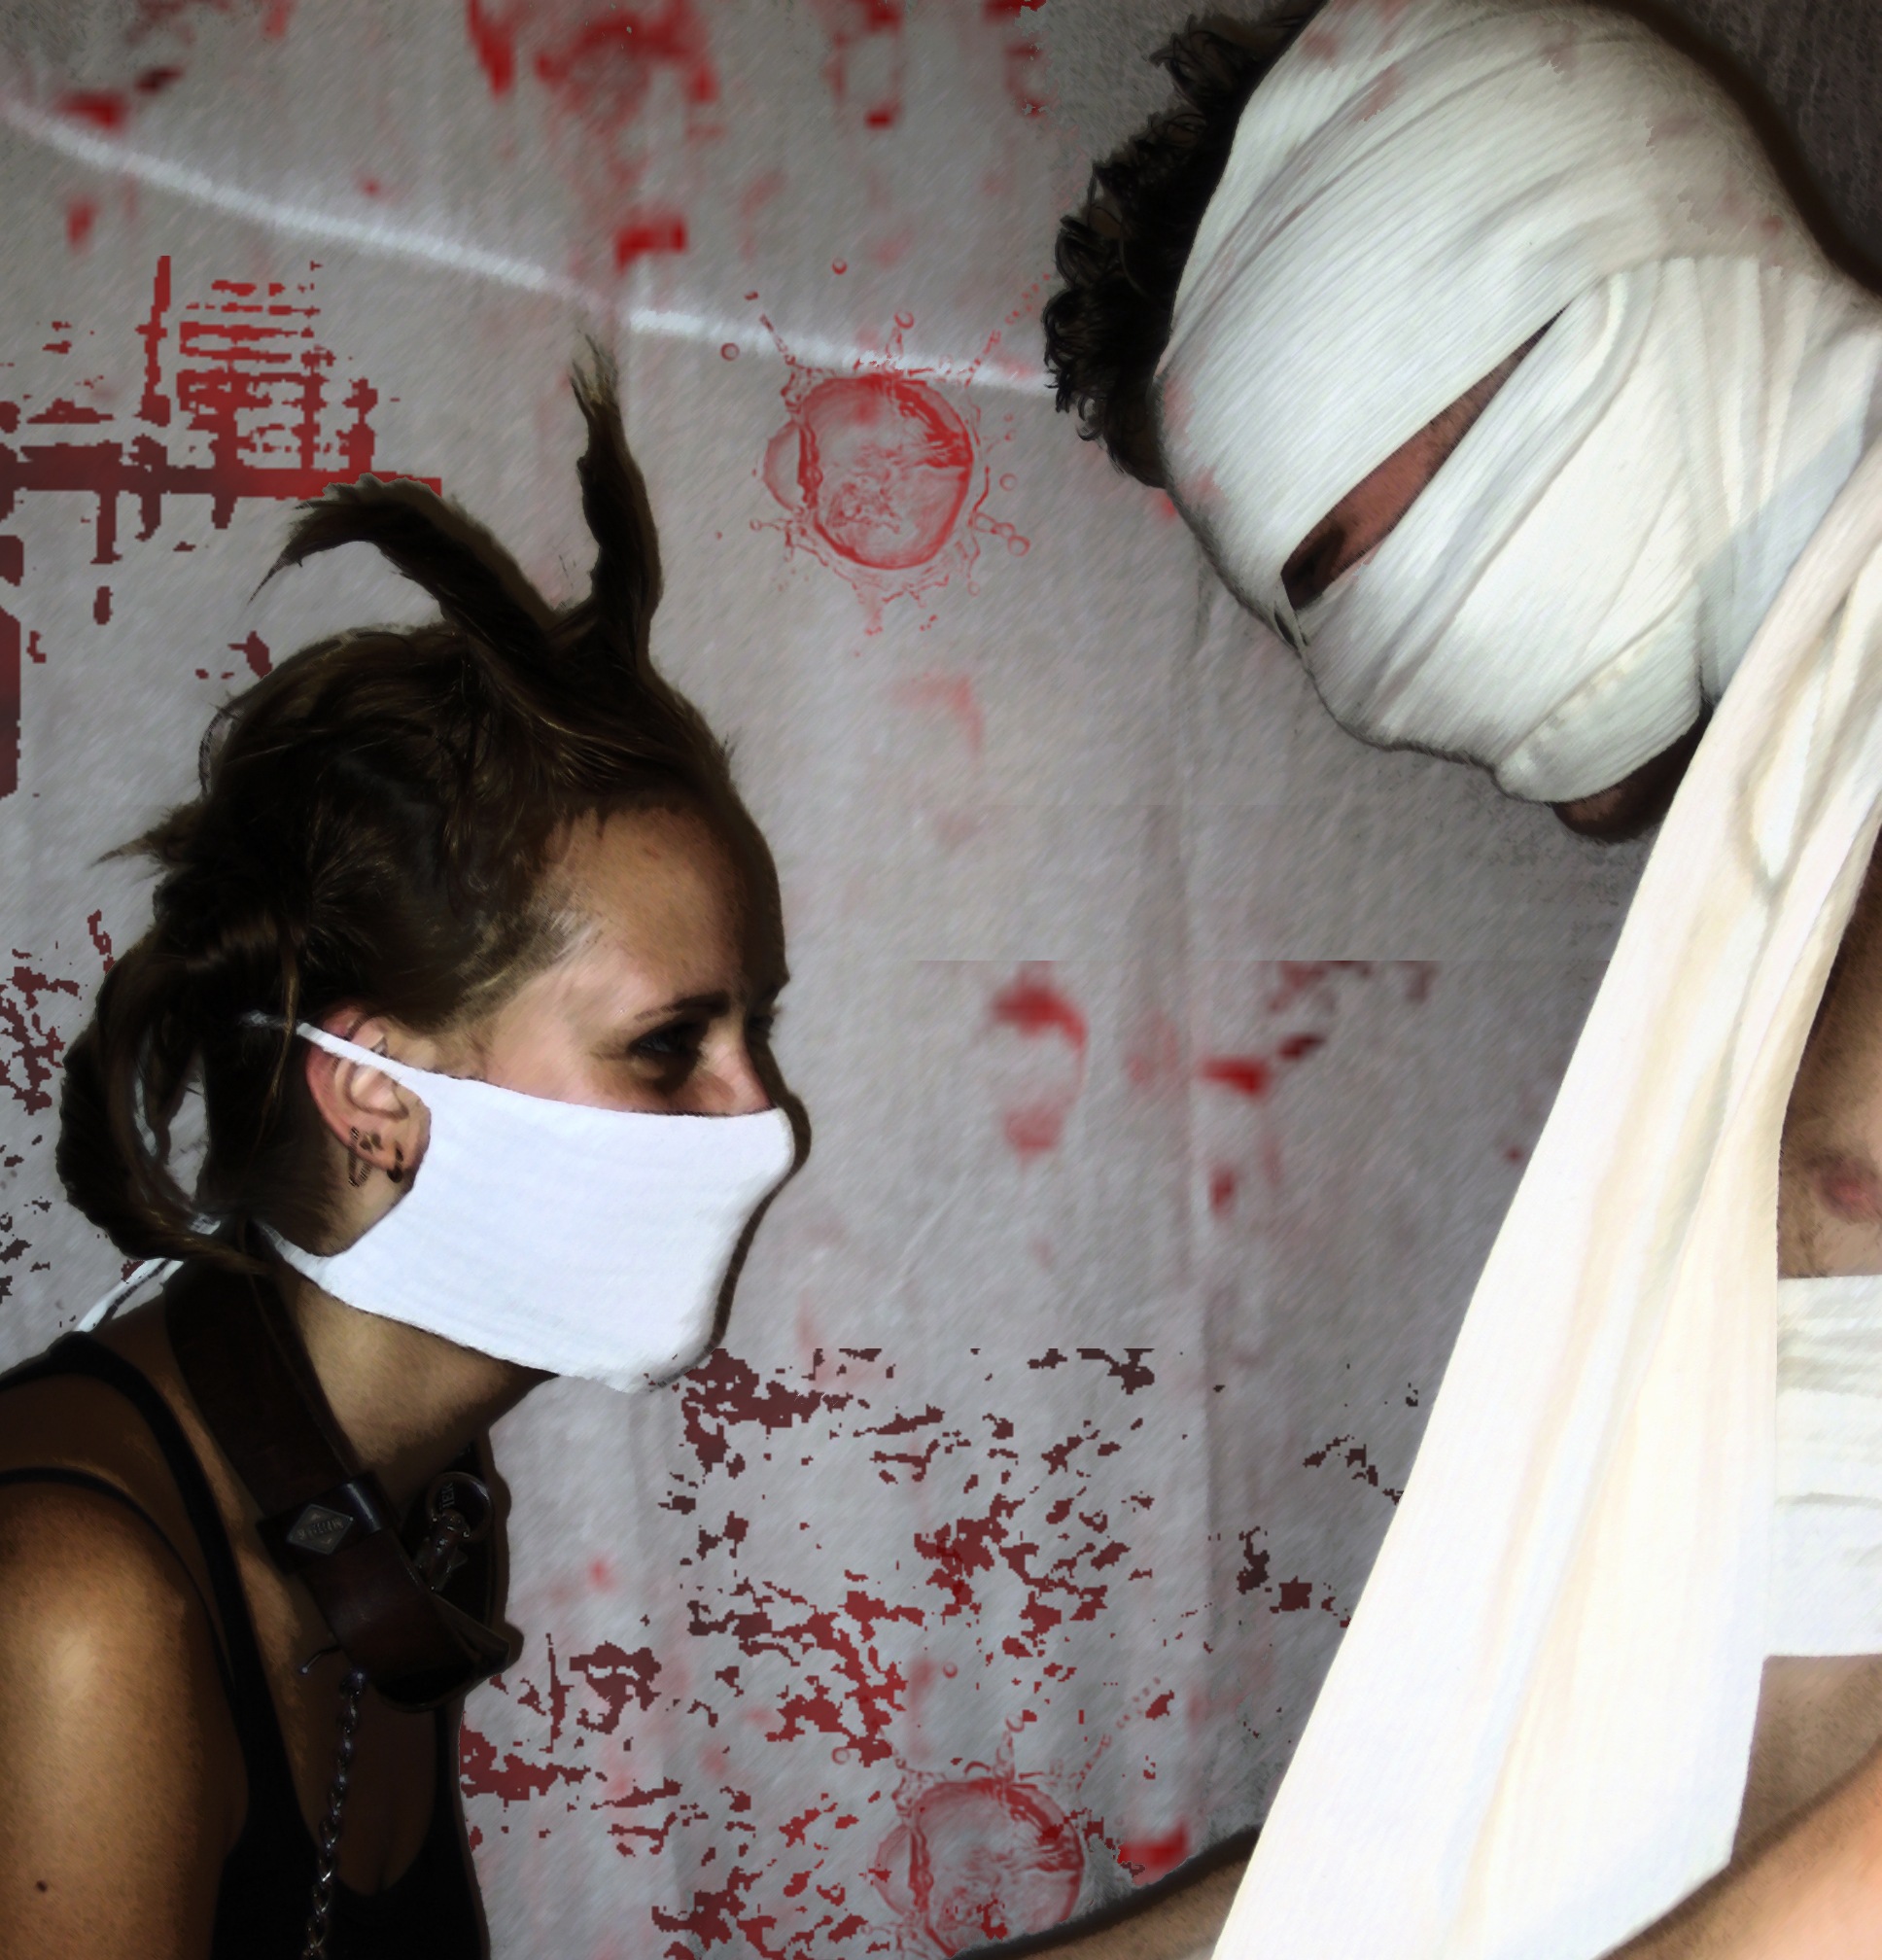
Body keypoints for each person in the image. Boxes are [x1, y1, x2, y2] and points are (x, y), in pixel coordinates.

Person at [1028, 2, 1882, 1956]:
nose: (1370, 684)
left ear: (1566, 288)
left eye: (1339, 562)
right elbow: (1491, 1799)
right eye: (1300, 620)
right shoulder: (1767, 889)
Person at [0, 362, 798, 1958]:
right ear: (375, 1097)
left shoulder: (410, 1507)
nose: (768, 1125)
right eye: (670, 1045)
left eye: (753, 1031)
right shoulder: (77, 1603)